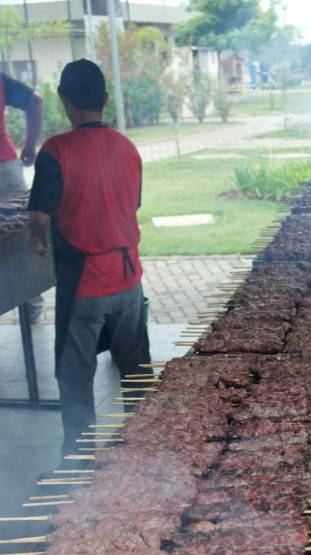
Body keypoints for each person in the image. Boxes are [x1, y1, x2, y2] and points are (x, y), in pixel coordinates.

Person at [28, 59, 151, 455]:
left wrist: (37, 237)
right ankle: (146, 454)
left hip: (85, 282)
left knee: (75, 375)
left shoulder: (55, 150)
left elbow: (40, 217)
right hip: (130, 280)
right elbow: (131, 204)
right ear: (106, 99)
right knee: (135, 372)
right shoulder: (128, 148)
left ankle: (80, 466)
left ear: (64, 100)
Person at [0, 72, 44, 323]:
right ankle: (32, 311)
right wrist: (29, 145)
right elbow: (35, 102)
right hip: (5, 169)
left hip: (5, 170)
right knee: (20, 243)